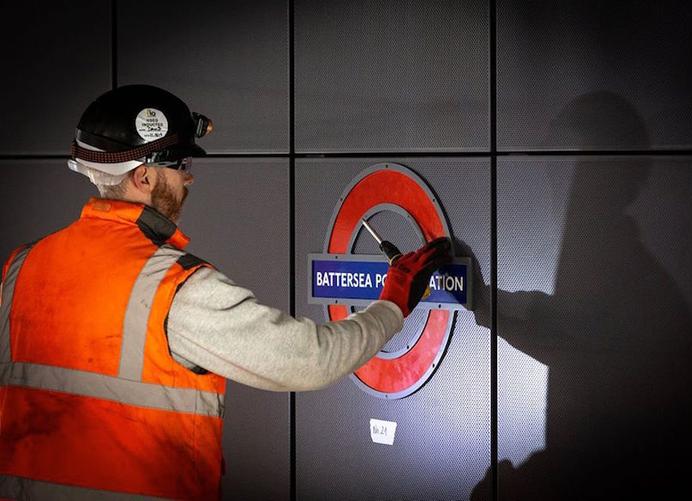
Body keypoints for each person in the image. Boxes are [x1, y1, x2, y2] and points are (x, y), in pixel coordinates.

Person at [0, 85, 451, 500]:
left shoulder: (21, 267)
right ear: (143, 178)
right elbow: (310, 360)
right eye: (180, 166)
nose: (189, 179)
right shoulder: (174, 287)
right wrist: (394, 302)